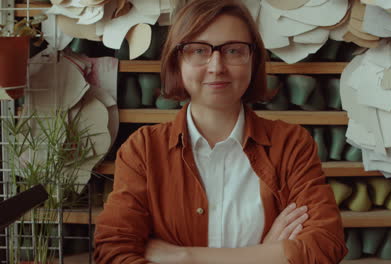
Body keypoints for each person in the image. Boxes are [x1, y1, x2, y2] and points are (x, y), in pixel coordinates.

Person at [94, 0, 347, 263]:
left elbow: (326, 245)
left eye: (233, 51)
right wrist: (269, 255)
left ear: (253, 60)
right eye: (198, 50)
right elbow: (113, 253)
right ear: (176, 60)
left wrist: (185, 257)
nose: (216, 66)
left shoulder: (291, 143)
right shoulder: (143, 150)